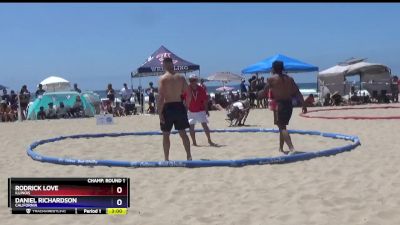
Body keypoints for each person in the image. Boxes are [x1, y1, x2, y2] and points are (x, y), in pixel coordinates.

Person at [266, 60, 307, 155]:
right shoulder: (289, 79)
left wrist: (258, 94)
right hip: (289, 104)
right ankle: (281, 148)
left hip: (280, 104)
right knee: (282, 126)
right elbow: (297, 92)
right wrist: (303, 104)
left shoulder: (271, 79)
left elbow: (265, 90)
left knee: (282, 127)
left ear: (273, 69)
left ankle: (292, 148)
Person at [157, 57, 192, 161]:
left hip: (168, 107)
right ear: (172, 64)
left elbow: (161, 97)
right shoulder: (180, 77)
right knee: (183, 133)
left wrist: (160, 113)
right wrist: (187, 106)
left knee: (166, 134)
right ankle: (189, 156)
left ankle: (166, 159)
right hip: (179, 105)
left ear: (164, 65)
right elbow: (188, 93)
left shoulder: (163, 78)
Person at [183, 74, 217, 147]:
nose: (192, 82)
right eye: (190, 80)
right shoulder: (187, 89)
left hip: (200, 110)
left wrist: (207, 110)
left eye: (193, 80)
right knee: (191, 127)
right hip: (191, 111)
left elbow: (205, 101)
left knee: (205, 126)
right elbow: (184, 101)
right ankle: (194, 142)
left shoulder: (201, 89)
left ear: (196, 80)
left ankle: (209, 140)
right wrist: (185, 110)